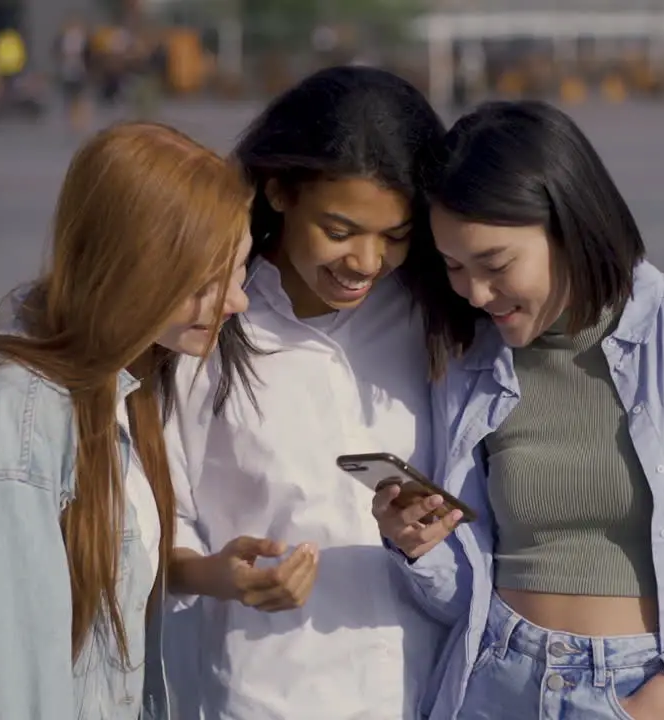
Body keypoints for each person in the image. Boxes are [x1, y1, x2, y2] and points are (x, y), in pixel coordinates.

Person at [374, 101, 664, 720]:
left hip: (653, 690)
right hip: (496, 685)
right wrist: (420, 549)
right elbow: (464, 602)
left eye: (495, 265)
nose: (475, 293)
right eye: (454, 268)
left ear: (570, 224)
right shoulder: (470, 360)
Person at [0, 122, 253, 720]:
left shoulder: (120, 388)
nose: (236, 302)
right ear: (137, 268)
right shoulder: (10, 419)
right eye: (210, 283)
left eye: (238, 274)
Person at [163, 66, 471, 719]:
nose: (365, 262)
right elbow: (139, 535)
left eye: (394, 235)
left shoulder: (436, 317)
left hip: (433, 693)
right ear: (278, 190)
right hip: (269, 696)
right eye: (340, 230)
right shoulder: (202, 330)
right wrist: (223, 575)